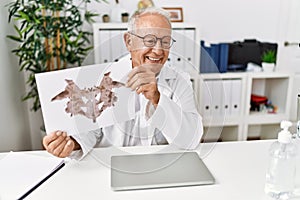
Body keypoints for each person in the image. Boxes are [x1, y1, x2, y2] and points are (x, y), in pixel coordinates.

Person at [43, 7, 203, 159]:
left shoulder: (180, 80)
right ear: (129, 41)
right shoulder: (101, 78)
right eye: (149, 40)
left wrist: (157, 98)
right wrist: (71, 144)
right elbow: (90, 132)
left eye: (166, 41)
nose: (159, 50)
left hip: (162, 163)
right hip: (111, 165)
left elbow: (191, 139)